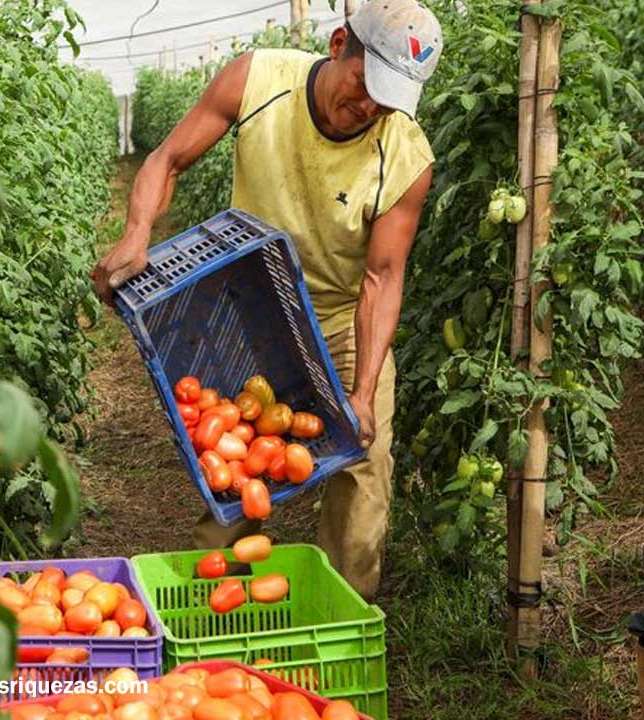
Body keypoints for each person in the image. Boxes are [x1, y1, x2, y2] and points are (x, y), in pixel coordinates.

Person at [90, 0, 443, 600]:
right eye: (364, 85)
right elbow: (168, 158)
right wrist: (136, 232)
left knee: (364, 473)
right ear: (338, 45)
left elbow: (383, 278)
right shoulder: (259, 80)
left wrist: (359, 394)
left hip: (339, 322)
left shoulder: (405, 156)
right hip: (250, 311)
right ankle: (212, 612)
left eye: (388, 98)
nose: (369, 107)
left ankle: (340, 618)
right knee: (230, 474)